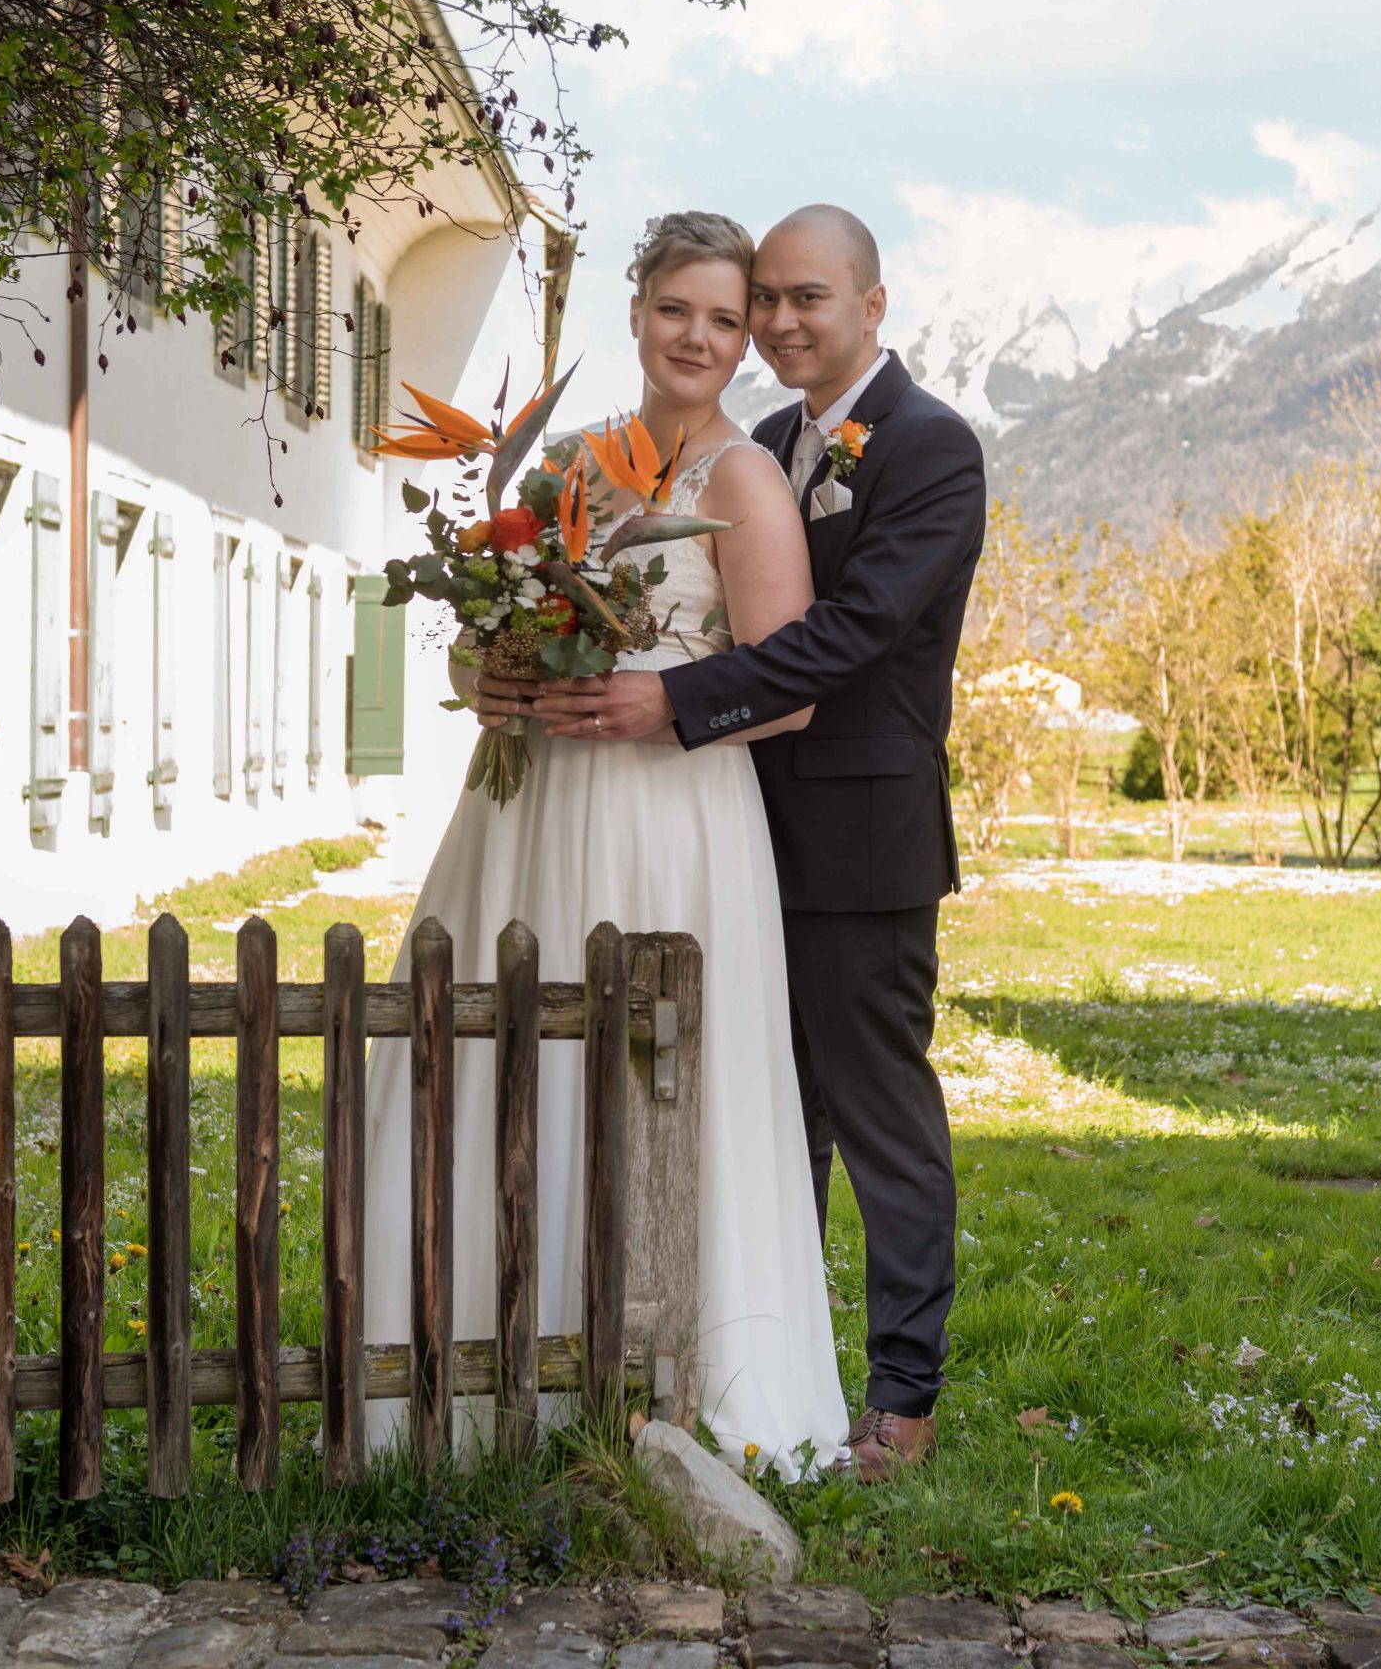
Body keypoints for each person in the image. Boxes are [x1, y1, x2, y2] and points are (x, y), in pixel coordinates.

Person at [363, 210, 849, 1476]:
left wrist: (657, 704)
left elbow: (789, 685)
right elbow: (492, 630)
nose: (699, 336)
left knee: (655, 1073)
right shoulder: (567, 463)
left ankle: (689, 1390)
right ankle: (481, 1383)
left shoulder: (740, 479)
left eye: (727, 319)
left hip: (669, 812)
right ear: (634, 314)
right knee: (504, 1050)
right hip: (532, 802)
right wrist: (487, 668)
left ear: (748, 342)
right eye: (677, 309)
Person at [516, 203, 987, 1479]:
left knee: (875, 1113)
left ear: (872, 306)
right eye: (758, 300)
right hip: (731, 829)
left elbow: (852, 635)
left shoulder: (934, 449)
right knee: (760, 1117)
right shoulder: (767, 440)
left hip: (857, 836)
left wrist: (673, 702)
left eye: (803, 299)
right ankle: (754, 1352)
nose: (775, 322)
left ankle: (902, 1396)